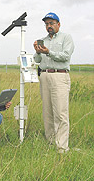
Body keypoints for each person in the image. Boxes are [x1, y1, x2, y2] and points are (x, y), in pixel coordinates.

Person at [33, 12, 74, 153]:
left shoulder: (66, 37)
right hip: (44, 75)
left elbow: (66, 56)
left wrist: (48, 52)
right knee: (48, 112)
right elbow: (37, 60)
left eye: (51, 23)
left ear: (58, 24)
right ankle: (51, 143)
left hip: (59, 75)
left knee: (61, 113)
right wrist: (38, 51)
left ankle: (62, 147)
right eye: (46, 24)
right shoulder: (43, 40)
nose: (49, 26)